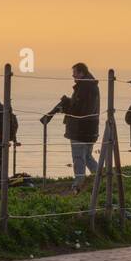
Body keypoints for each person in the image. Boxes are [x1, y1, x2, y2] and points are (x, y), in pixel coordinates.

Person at [42, 63, 100, 192]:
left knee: (78, 157)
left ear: (81, 73)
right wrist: (68, 102)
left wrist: (66, 107)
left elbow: (79, 110)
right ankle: (99, 177)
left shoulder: (84, 87)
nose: (73, 75)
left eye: (75, 72)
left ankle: (78, 183)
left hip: (80, 128)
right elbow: (81, 106)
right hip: (90, 128)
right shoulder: (91, 86)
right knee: (88, 156)